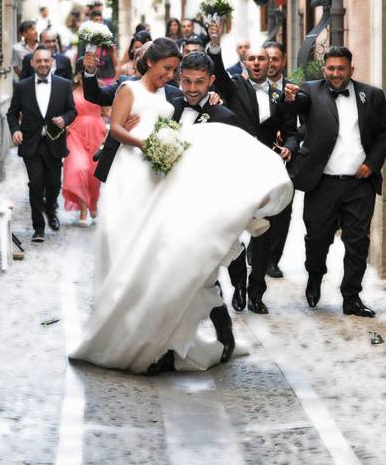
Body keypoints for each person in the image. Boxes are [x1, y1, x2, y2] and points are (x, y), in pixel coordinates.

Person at [69, 39, 294, 374]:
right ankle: (157, 346)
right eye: (181, 78)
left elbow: (239, 156)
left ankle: (222, 336)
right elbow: (114, 102)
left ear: (211, 83)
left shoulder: (223, 115)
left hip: (198, 205)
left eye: (197, 82)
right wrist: (126, 127)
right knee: (160, 270)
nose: (188, 86)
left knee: (197, 272)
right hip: (153, 192)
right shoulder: (168, 97)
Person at [284, 46, 386, 317]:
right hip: (322, 184)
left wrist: (372, 163)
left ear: (351, 70)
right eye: (331, 68)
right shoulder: (310, 91)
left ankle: (351, 297)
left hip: (359, 183)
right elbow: (299, 103)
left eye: (340, 68)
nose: (335, 73)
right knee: (318, 239)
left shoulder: (372, 96)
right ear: (324, 70)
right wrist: (292, 97)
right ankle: (315, 275)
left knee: (358, 242)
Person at [206, 25, 298, 315]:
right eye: (253, 59)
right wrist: (215, 43)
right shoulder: (233, 87)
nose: (258, 63)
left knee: (263, 233)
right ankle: (239, 287)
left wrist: (289, 148)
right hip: (236, 169)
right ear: (246, 62)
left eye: (263, 59)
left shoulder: (279, 95)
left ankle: (257, 292)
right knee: (234, 230)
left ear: (270, 64)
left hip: (267, 171)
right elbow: (218, 73)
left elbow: (291, 131)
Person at [82, 44, 184, 183]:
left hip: (158, 169)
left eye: (174, 70)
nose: (170, 74)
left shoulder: (175, 93)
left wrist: (211, 96)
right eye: (139, 55)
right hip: (125, 162)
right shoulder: (126, 85)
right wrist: (90, 71)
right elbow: (96, 96)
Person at [6, 46, 77, 243]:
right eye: (39, 61)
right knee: (36, 183)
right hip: (31, 143)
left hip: (54, 142)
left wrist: (64, 119)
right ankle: (38, 228)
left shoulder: (64, 85)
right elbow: (11, 113)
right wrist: (15, 130)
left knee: (54, 184)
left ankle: (50, 208)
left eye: (46, 61)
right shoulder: (23, 87)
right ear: (32, 63)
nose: (43, 64)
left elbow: (72, 111)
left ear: (52, 62)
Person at [258, 40, 296, 278]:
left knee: (283, 211)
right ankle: (257, 251)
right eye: (267, 58)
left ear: (283, 61)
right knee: (259, 208)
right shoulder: (248, 87)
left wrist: (290, 145)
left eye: (276, 59)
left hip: (285, 160)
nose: (271, 64)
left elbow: (298, 127)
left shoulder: (294, 90)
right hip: (259, 158)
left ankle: (273, 259)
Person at [62, 61, 108, 227]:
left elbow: (108, 112)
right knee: (78, 168)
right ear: (78, 75)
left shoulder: (100, 91)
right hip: (75, 134)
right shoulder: (70, 92)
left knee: (94, 175)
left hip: (97, 133)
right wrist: (64, 125)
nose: (85, 75)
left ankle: (93, 204)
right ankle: (82, 210)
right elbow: (65, 111)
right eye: (83, 72)